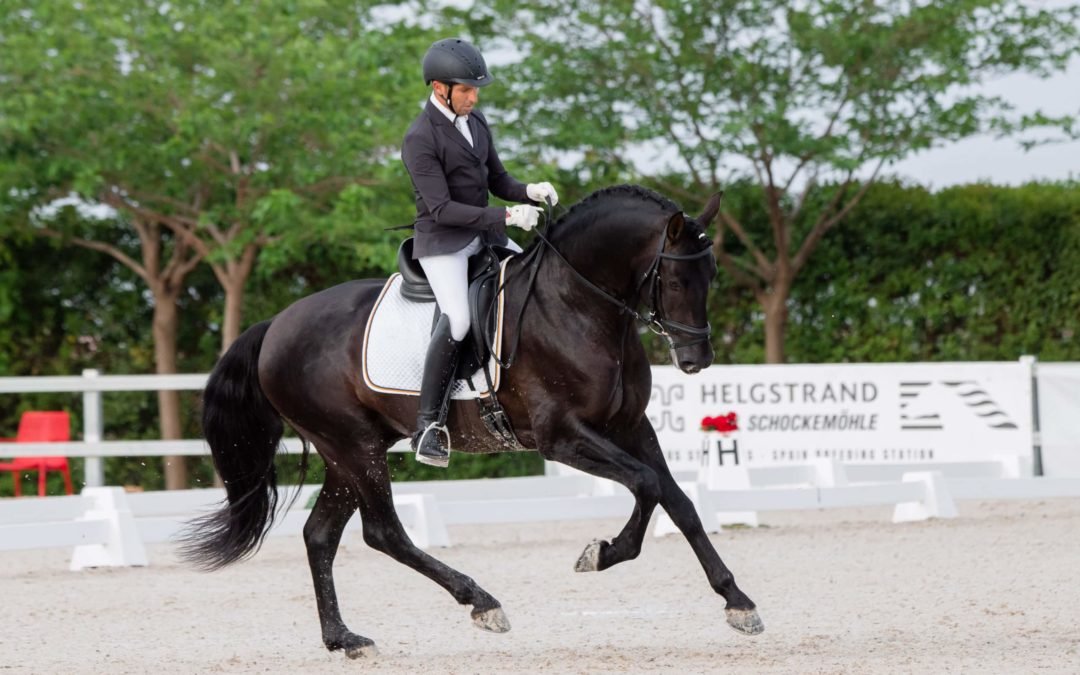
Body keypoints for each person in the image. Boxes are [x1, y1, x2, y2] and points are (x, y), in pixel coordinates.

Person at [401, 37, 559, 468]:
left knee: (536, 284)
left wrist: (528, 191)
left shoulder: (477, 122)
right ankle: (428, 426)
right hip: (443, 242)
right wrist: (506, 216)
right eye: (466, 90)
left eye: (476, 90)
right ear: (439, 88)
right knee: (458, 319)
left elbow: (498, 180)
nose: (474, 98)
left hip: (485, 235)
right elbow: (442, 209)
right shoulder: (419, 137)